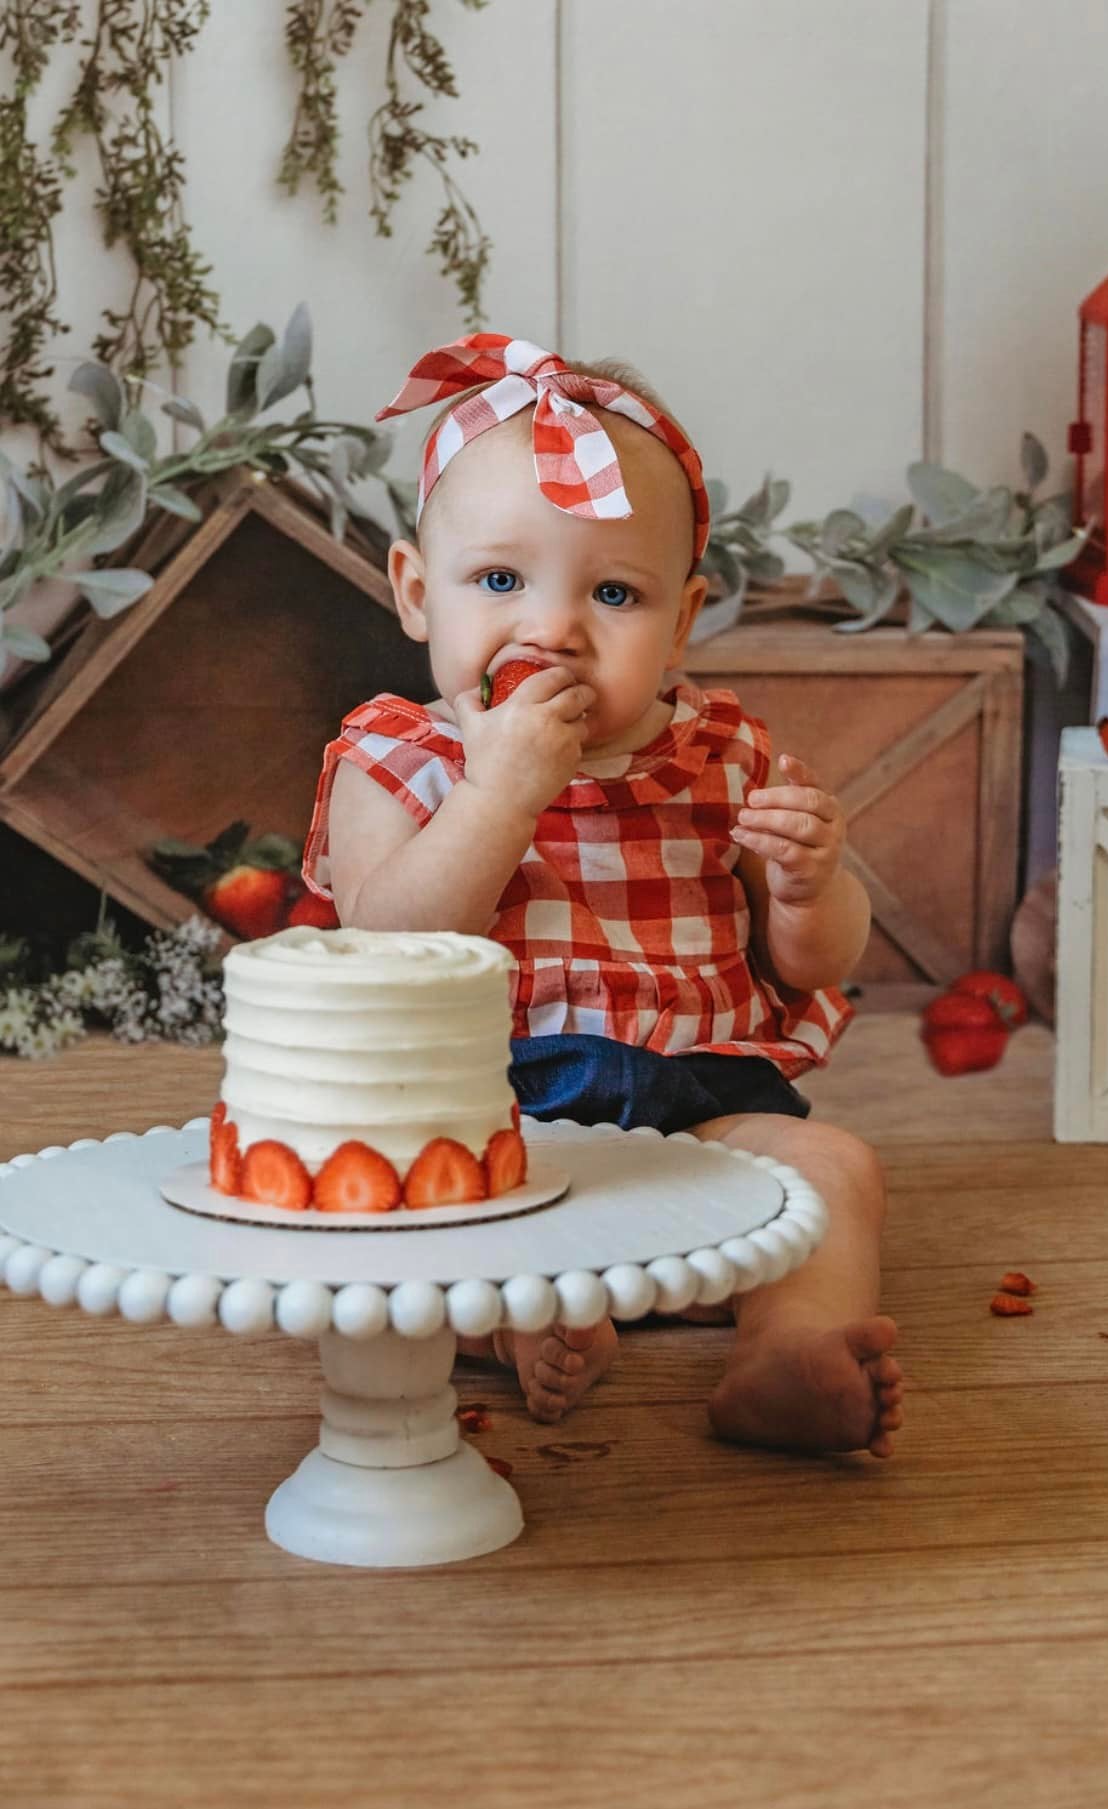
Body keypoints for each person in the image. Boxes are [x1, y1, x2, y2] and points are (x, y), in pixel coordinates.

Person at [303, 334, 904, 1459]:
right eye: (498, 581)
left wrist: (809, 886)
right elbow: (384, 944)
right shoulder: (397, 759)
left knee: (829, 1171)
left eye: (614, 592)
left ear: (681, 622)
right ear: (415, 594)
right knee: (384, 1221)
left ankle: (784, 1354)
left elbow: (813, 969)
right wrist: (497, 795)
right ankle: (521, 1323)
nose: (552, 629)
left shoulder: (722, 754)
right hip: (489, 1122)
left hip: (700, 1115)